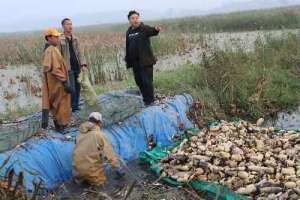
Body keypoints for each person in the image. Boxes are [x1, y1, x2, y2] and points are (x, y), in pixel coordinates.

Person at [72, 112, 125, 186]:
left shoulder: (79, 135)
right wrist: (117, 167)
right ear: (99, 123)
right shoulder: (99, 135)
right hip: (91, 171)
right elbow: (109, 153)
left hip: (77, 172)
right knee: (101, 185)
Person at [125, 10, 161, 106]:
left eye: (137, 18)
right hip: (135, 62)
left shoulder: (144, 28)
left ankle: (150, 101)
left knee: (147, 81)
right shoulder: (129, 32)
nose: (135, 20)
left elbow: (152, 31)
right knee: (139, 81)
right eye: (133, 18)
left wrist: (156, 29)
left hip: (145, 61)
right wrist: (127, 59)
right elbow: (128, 45)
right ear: (129, 20)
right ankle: (145, 98)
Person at [41, 28, 72, 132]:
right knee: (60, 104)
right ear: (49, 38)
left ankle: (60, 125)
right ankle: (61, 126)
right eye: (56, 37)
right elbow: (54, 69)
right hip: (57, 83)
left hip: (57, 83)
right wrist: (65, 82)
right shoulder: (51, 50)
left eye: (58, 36)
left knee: (58, 104)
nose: (58, 38)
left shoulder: (52, 49)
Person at [60, 18, 87, 112]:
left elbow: (80, 52)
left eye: (71, 24)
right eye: (67, 24)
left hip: (77, 65)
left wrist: (83, 64)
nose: (70, 26)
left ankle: (75, 106)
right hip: (68, 67)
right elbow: (58, 55)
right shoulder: (60, 39)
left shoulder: (75, 38)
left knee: (78, 86)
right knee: (72, 88)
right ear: (63, 26)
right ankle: (71, 106)